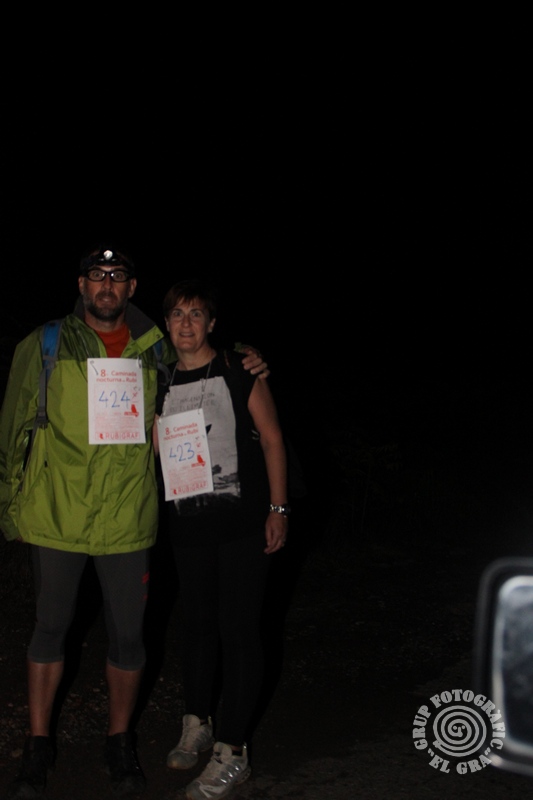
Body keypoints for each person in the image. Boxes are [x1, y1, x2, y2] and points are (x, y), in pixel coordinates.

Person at [0, 245, 268, 800]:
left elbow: (202, 352)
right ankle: (38, 744)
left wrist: (246, 354)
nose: (106, 284)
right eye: (97, 275)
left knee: (128, 636)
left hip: (128, 516)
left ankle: (120, 742)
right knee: (49, 629)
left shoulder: (156, 349)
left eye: (117, 276)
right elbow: (12, 430)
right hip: (57, 514)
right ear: (81, 285)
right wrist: (10, 510)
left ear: (131, 287)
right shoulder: (46, 344)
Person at [154, 279, 289, 800]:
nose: (186, 323)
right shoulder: (161, 379)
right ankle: (198, 722)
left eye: (196, 314)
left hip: (242, 524)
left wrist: (278, 508)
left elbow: (272, 438)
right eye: (177, 314)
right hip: (188, 525)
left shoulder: (238, 369)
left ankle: (233, 751)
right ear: (167, 324)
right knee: (196, 627)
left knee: (239, 630)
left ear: (211, 323)